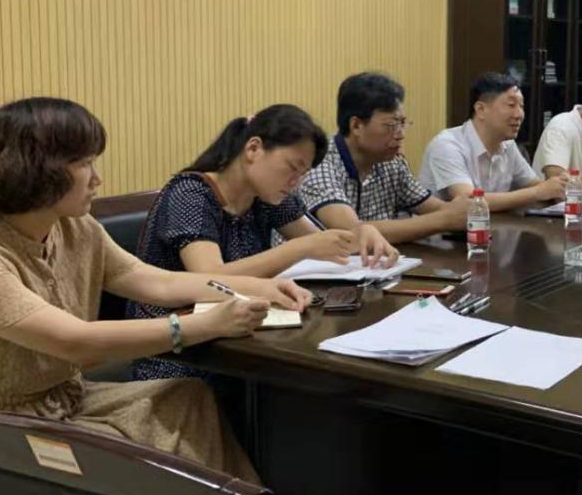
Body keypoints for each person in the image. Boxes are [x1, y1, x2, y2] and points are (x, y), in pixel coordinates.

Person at [0, 98, 313, 480]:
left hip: (66, 401)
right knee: (127, 466)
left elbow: (158, 282)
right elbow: (75, 342)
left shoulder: (74, 227)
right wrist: (205, 324)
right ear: (35, 168)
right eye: (84, 163)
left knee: (188, 399)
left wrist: (262, 287)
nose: (96, 178)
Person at [129, 104, 397, 382]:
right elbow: (209, 277)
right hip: (180, 352)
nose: (294, 183)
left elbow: (323, 243)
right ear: (253, 149)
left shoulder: (266, 196)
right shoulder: (191, 194)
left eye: (302, 175)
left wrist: (362, 234)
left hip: (243, 338)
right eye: (292, 168)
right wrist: (300, 248)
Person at [300, 72, 468, 244]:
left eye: (402, 123)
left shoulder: (390, 161)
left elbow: (436, 210)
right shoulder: (319, 162)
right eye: (391, 125)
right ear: (356, 126)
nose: (401, 135)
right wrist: (444, 220)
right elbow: (352, 231)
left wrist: (461, 211)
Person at [419, 72, 568, 211]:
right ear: (480, 109)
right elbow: (469, 201)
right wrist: (538, 192)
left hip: (493, 227)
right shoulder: (447, 145)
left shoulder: (507, 145)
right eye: (511, 105)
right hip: (444, 230)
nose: (519, 114)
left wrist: (558, 187)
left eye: (521, 106)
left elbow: (535, 185)